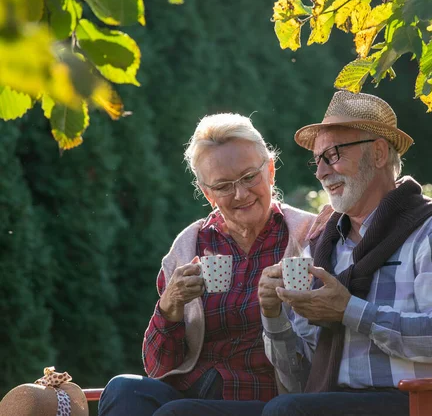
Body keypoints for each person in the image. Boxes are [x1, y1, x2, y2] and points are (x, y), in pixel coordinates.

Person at [154, 91, 432, 416]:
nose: (321, 172)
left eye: (334, 155)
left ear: (380, 152)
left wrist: (349, 310)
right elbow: (298, 376)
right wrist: (273, 317)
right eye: (318, 161)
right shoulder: (328, 243)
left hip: (413, 403)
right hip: (329, 401)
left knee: (286, 410)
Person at [98, 113, 317, 416]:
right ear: (207, 193)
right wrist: (169, 306)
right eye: (224, 186)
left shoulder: (308, 236)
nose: (240, 193)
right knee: (123, 389)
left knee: (177, 413)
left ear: (270, 170)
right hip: (192, 392)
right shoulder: (188, 246)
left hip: (270, 401)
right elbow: (159, 368)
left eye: (249, 177)